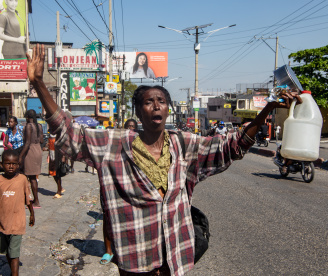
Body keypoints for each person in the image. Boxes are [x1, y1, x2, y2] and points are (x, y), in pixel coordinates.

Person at [27, 44, 301, 275]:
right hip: (135, 260)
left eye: (161, 100)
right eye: (148, 101)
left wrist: (267, 107)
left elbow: (232, 146)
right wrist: (39, 83)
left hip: (175, 257)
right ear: (138, 110)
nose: (156, 104)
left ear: (167, 109)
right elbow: (67, 132)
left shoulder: (184, 144)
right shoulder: (113, 144)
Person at [0, 150, 35, 276]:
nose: (11, 166)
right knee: (5, 250)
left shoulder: (22, 179)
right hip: (1, 221)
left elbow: (28, 199)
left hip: (17, 222)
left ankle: (15, 274)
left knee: (14, 252)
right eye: (8, 163)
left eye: (14, 163)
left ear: (18, 164)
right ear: (2, 164)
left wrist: (32, 214)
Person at [19, 110, 43, 208]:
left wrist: (21, 156)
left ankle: (36, 201)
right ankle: (31, 198)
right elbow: (41, 140)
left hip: (30, 151)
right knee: (33, 177)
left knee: (31, 177)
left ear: (28, 116)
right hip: (38, 150)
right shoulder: (39, 126)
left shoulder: (29, 126)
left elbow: (27, 143)